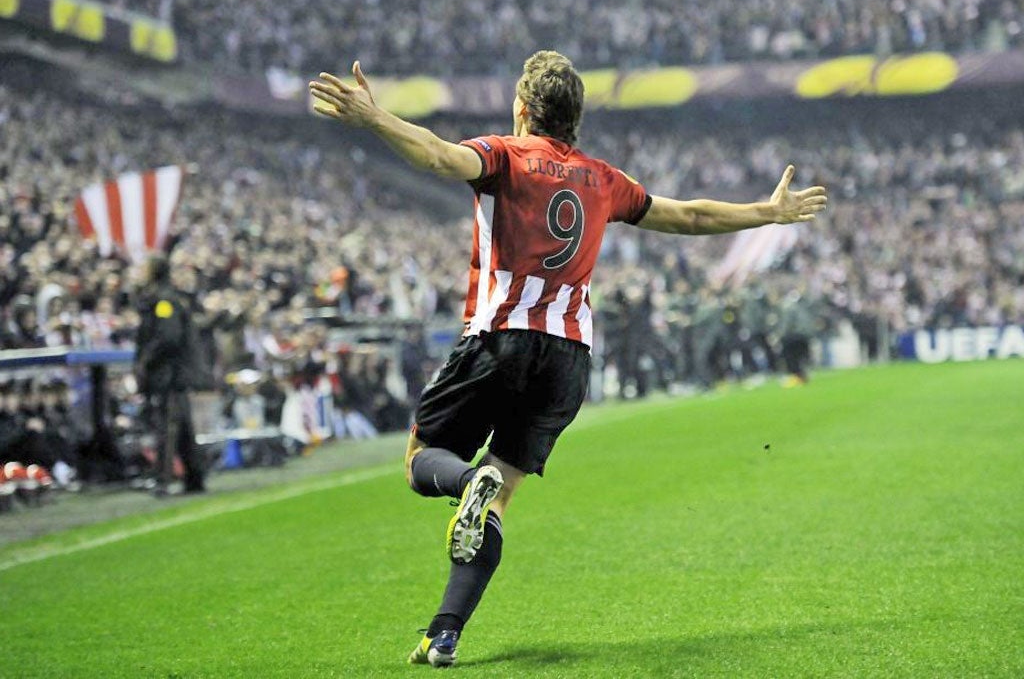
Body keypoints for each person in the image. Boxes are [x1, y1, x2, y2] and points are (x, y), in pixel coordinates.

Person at [309, 51, 828, 668]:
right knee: (498, 500)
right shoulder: (602, 178)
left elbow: (438, 155)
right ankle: (444, 632)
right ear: (575, 118)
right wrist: (765, 214)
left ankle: (464, 483)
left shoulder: (504, 153)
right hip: (568, 357)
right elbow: (687, 215)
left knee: (423, 461)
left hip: (500, 338)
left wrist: (374, 118)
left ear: (523, 110)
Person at [134, 255, 205, 497]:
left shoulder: (164, 301)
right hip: (173, 373)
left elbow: (168, 337)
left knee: (168, 425)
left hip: (171, 374)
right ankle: (195, 477)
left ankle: (162, 479)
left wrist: (146, 359)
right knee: (181, 425)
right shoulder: (164, 298)